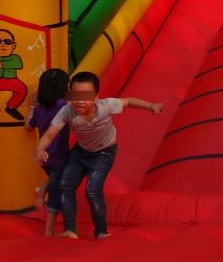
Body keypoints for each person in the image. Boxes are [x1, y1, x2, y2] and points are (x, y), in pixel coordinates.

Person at [33, 71, 163, 239]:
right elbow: (50, 134)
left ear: (96, 97)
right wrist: (39, 149)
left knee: (92, 190)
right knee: (65, 185)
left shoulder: (105, 106)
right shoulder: (66, 111)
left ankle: (101, 231)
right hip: (81, 152)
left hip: (104, 153)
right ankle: (70, 230)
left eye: (85, 96)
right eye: (75, 95)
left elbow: (129, 101)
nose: (79, 101)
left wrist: (150, 106)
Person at [27, 69, 71, 237]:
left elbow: (28, 127)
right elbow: (88, 98)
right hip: (58, 156)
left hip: (44, 157)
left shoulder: (39, 109)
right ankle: (49, 230)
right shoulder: (62, 105)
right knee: (57, 191)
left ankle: (42, 189)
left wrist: (31, 105)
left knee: (55, 178)